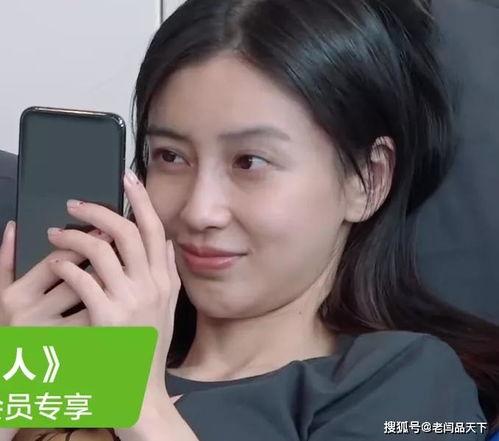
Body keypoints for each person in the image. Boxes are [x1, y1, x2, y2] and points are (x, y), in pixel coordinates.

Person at [1, 0, 498, 440]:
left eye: (250, 162)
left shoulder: (404, 381)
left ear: (367, 180)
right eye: (171, 156)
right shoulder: (57, 363)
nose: (199, 211)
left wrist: (140, 403)